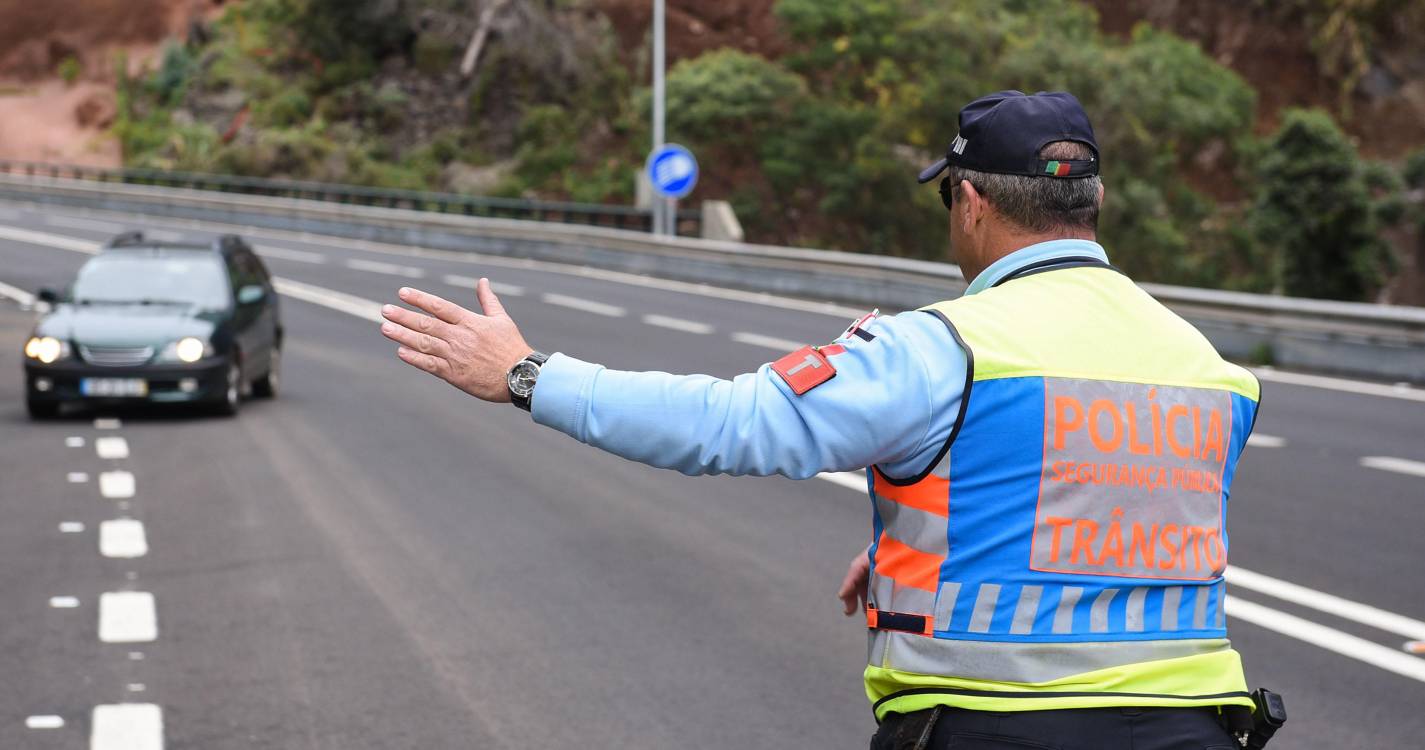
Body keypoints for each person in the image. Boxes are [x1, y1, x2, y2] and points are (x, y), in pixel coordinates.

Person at [378, 90, 1264, 749]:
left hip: (998, 731)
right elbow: (1109, 505)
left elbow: (730, 423)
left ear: (971, 203)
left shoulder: (942, 346)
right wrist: (914, 547)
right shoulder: (1212, 370)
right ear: (1092, 206)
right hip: (1195, 728)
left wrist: (528, 376)